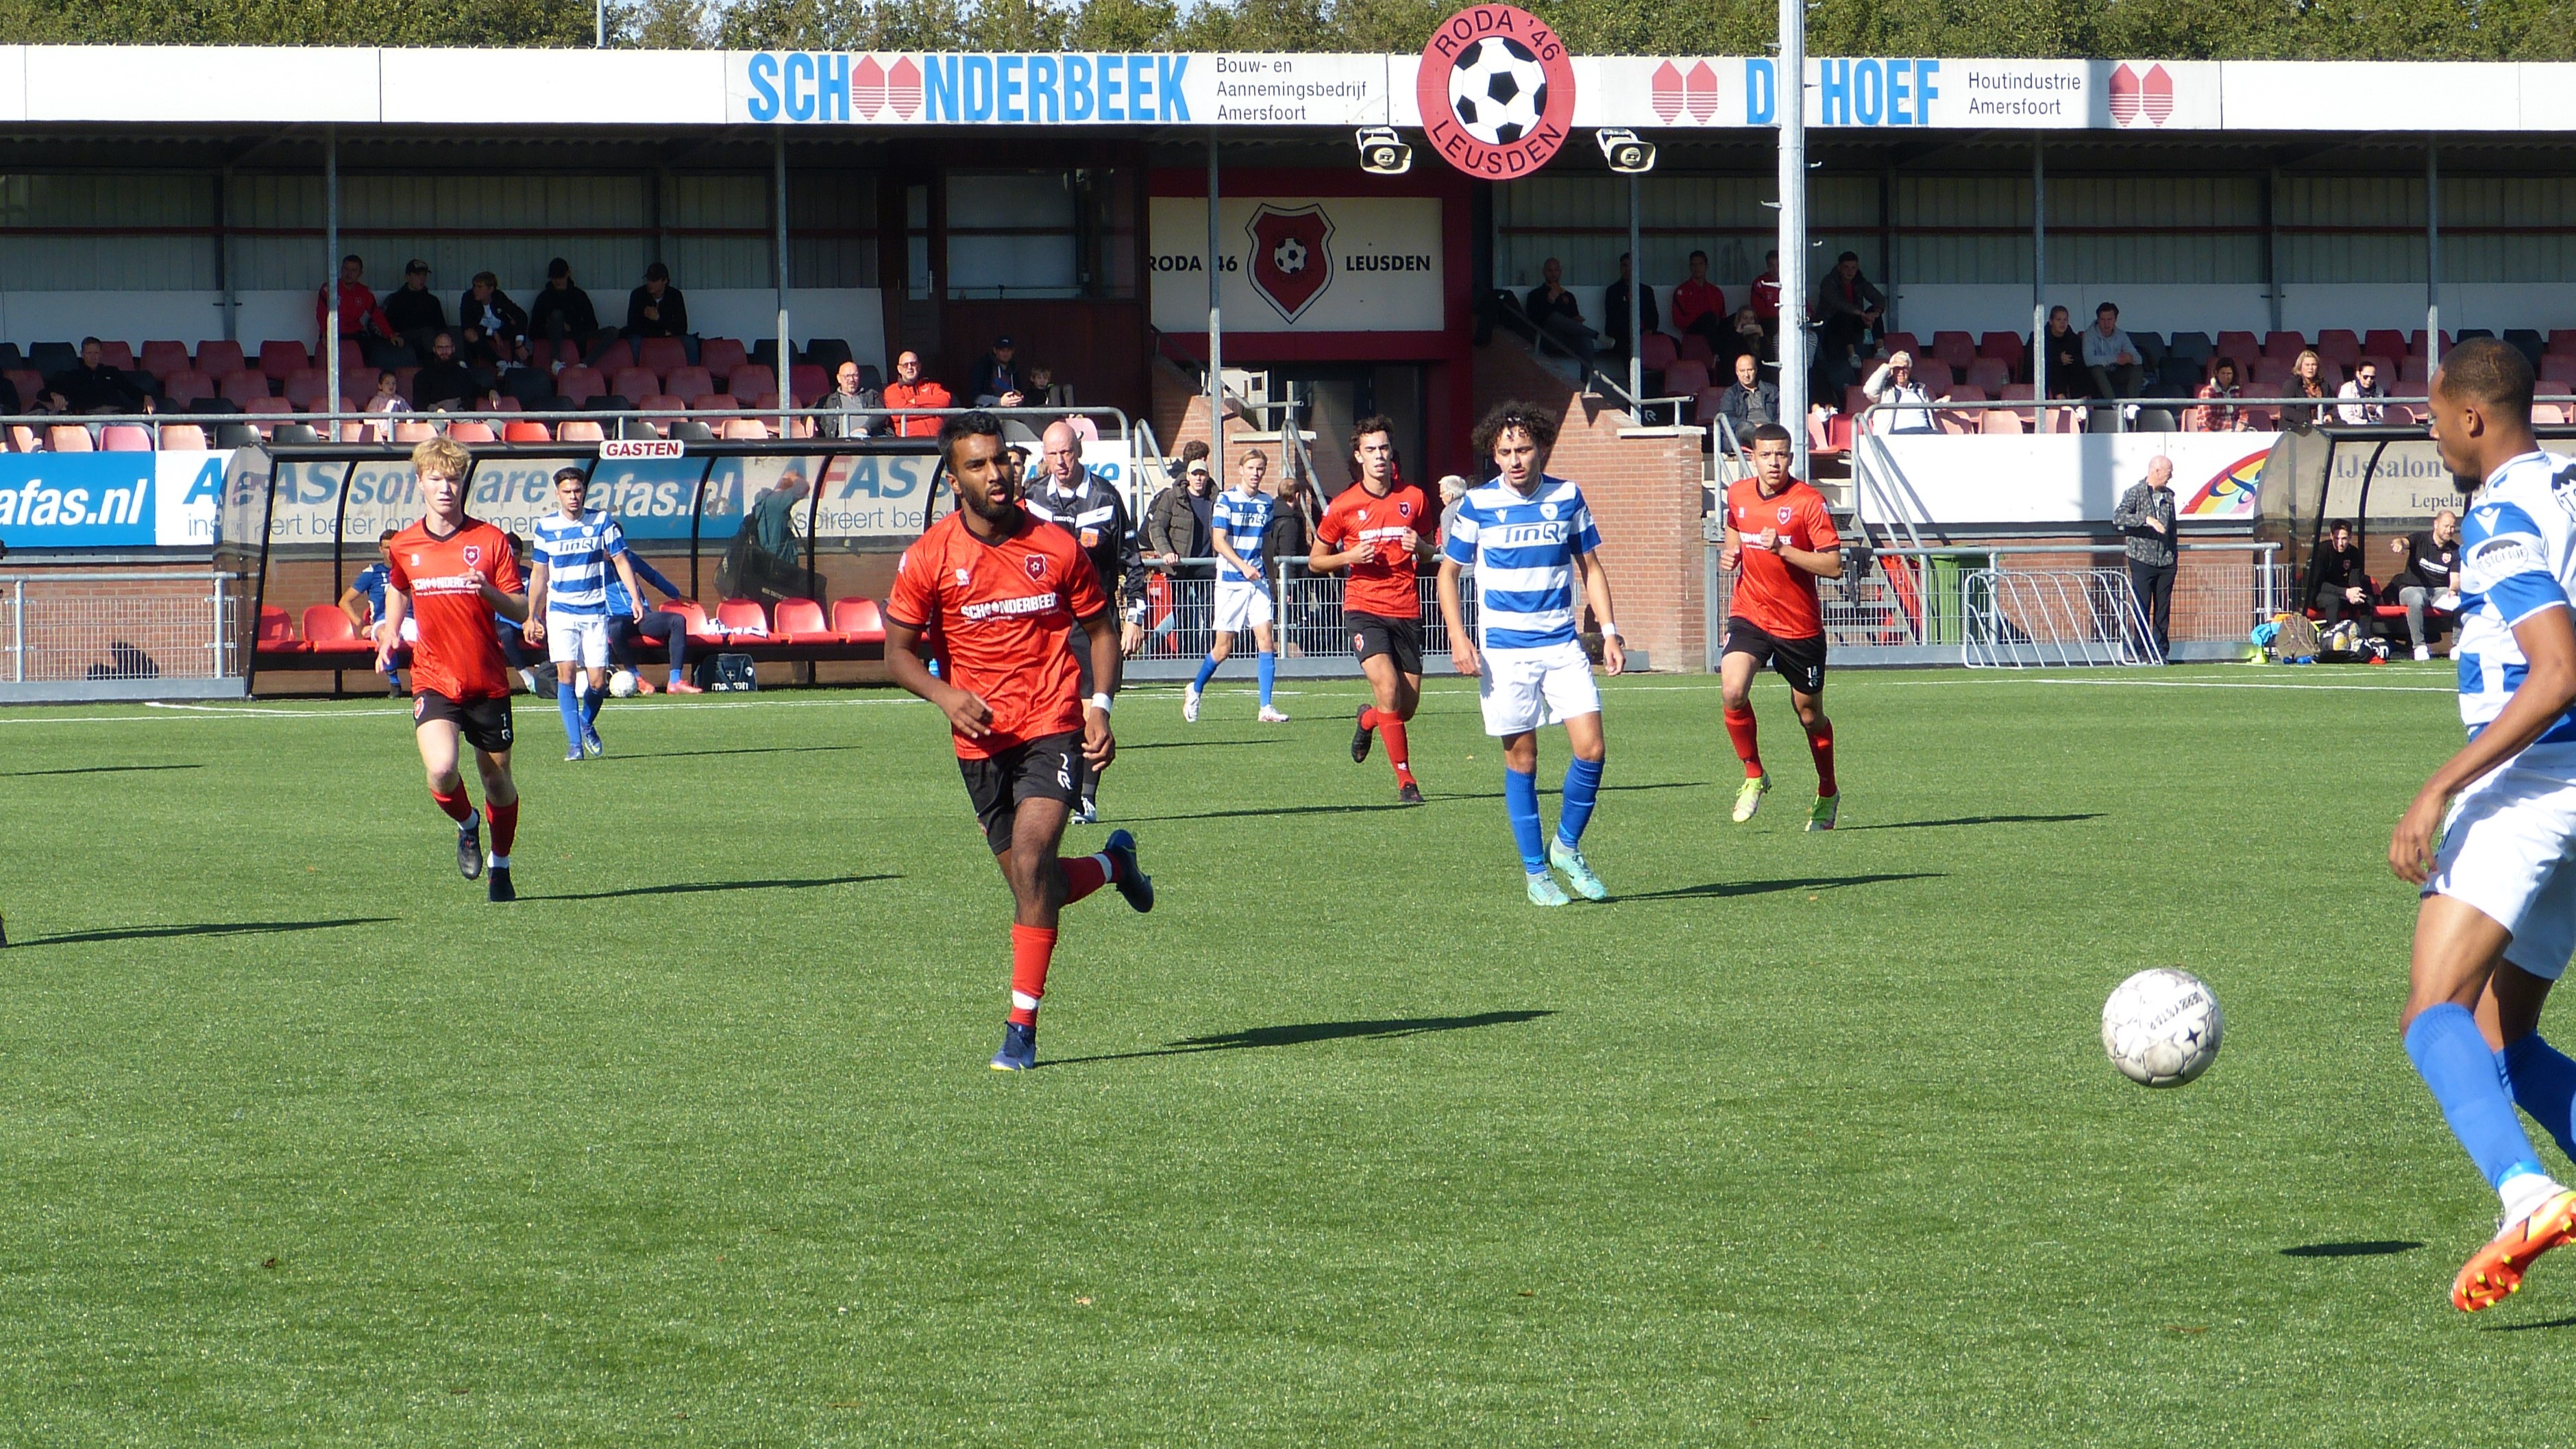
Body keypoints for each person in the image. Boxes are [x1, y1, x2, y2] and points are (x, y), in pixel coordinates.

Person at [2383, 336, 2576, 1313]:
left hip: (2534, 782)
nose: (2432, 434)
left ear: (2471, 416)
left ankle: (2526, 1194)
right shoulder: (2570, 487)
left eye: (2432, 417)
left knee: (2432, 1014)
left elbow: (2557, 671)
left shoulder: (2499, 511)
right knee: (2506, 1037)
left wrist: (2439, 787)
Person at [882, 409, 1154, 1072]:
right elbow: (897, 653)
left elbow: (1101, 630)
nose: (996, 473)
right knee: (1037, 887)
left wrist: (1100, 708)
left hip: (1050, 724)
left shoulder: (1055, 546)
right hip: (979, 743)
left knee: (1032, 864)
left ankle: (1020, 1030)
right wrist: (945, 696)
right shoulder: (929, 557)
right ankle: (1115, 865)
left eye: (1001, 458)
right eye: (977, 464)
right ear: (954, 480)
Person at [1438, 401, 1622, 907]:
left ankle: (1565, 847)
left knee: (1592, 749)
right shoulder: (1477, 504)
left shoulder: (1567, 496)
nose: (1515, 460)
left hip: (1561, 644)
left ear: (1540, 447)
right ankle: (1536, 873)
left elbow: (1591, 567)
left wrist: (1609, 632)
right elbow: (1447, 574)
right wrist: (1458, 637)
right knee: (1523, 758)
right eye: (1505, 452)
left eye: (1523, 449)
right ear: (1493, 455)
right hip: (1505, 654)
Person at [374, 436, 528, 903]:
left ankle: (501, 866)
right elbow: (399, 586)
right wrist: (390, 631)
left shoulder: (490, 540)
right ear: (420, 482)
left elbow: (520, 609)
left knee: (497, 781)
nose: (446, 487)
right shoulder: (405, 544)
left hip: (486, 680)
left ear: (463, 484)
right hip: (433, 678)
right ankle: (467, 823)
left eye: (454, 479)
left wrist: (488, 591)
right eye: (436, 478)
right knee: (442, 769)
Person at [1716, 423, 1843, 830]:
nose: (1774, 462)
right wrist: (1732, 553)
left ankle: (1828, 791)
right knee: (1733, 690)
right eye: (1766, 455)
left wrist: (1783, 550)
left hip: (1798, 626)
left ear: (1791, 457)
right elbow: (1734, 526)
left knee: (1809, 716)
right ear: (1752, 457)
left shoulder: (1808, 502)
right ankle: (1754, 775)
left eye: (1782, 455)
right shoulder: (1738, 494)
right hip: (1751, 612)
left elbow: (1834, 566)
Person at [1024, 419, 1144, 822]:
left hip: (1094, 621)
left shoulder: (1106, 497)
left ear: (1079, 451)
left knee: (1094, 709)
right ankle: (1050, 789)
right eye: (1053, 455)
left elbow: (1131, 560)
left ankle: (1086, 797)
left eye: (1067, 453)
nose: (1060, 461)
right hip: (1046, 620)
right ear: (1044, 457)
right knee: (1052, 711)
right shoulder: (1032, 499)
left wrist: (1135, 616)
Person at [1314, 415, 1437, 804]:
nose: (1379, 455)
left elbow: (1432, 550)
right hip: (1364, 607)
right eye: (1371, 449)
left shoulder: (1415, 497)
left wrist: (1421, 547)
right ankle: (1406, 781)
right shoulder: (1344, 506)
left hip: (1406, 608)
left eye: (1384, 448)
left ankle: (1367, 719)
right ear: (1359, 456)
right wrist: (1348, 557)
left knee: (1404, 708)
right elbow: (1316, 560)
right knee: (1387, 688)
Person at [524, 467, 646, 762]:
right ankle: (574, 745)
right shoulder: (546, 527)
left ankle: (585, 722)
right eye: (567, 491)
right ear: (558, 494)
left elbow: (621, 560)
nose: (573, 496)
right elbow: (539, 573)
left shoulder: (601, 521)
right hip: (561, 612)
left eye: (577, 490)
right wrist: (532, 614)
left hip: (594, 611)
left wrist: (635, 598)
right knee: (566, 674)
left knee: (598, 683)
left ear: (584, 492)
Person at [1186, 451, 1286, 724]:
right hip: (1231, 582)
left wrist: (1272, 580)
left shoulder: (1266, 502)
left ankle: (1266, 707)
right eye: (1251, 468)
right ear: (1241, 469)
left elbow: (1267, 544)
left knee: (1266, 639)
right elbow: (1218, 541)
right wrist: (1242, 566)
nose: (1256, 473)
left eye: (1260, 468)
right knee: (1223, 649)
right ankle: (1195, 689)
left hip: (1257, 581)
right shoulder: (1226, 499)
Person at [1144, 450, 1216, 657]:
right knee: (1184, 616)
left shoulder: (1218, 498)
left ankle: (1208, 657)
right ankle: (1186, 658)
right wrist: (1166, 552)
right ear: (1188, 476)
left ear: (1207, 476)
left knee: (1211, 614)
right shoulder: (1172, 497)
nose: (1198, 478)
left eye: (1202, 474)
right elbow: (1156, 527)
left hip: (1208, 566)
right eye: (1195, 474)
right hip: (1180, 567)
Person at [602, 544, 700, 694]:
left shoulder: (628, 557)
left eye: (613, 545)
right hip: (616, 619)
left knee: (677, 621)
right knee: (615, 628)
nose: (609, 550)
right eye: (605, 546)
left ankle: (675, 681)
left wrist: (676, 595)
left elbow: (652, 576)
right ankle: (636, 677)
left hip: (641, 616)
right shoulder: (592, 564)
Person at [2112, 456, 2180, 660]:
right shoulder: (2135, 493)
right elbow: (2119, 517)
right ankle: (2140, 649)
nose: (2171, 477)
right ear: (2156, 471)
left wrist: (2173, 555)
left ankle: (2160, 651)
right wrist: (2146, 520)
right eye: (2168, 472)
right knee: (2141, 606)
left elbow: (2172, 528)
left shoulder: (2169, 496)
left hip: (2166, 561)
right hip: (2142, 560)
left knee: (2163, 610)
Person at [339, 527, 408, 695]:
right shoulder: (373, 572)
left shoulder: (410, 569)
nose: (391, 552)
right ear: (380, 549)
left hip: (410, 619)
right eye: (387, 548)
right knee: (385, 633)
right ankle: (395, 684)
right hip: (384, 620)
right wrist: (361, 624)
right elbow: (344, 601)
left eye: (394, 547)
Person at [2390, 508, 2463, 661]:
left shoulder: (2455, 551)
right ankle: (2419, 647)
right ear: (2436, 524)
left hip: (2438, 591)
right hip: (2411, 589)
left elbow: (2455, 580)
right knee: (2416, 599)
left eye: (2452, 527)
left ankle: (2458, 645)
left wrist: (2453, 590)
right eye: (2446, 526)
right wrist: (2399, 544)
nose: (2449, 530)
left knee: (2459, 602)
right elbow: (2403, 541)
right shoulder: (2420, 539)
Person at [1523, 258, 1598, 370]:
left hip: (1567, 338)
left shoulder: (1568, 296)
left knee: (1586, 341)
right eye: (1550, 270)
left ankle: (1586, 380)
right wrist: (1550, 303)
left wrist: (1577, 320)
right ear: (1544, 272)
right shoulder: (1535, 295)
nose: (1553, 274)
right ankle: (1596, 335)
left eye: (1556, 270)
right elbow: (1533, 320)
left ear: (1560, 272)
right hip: (1547, 338)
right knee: (1555, 317)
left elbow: (1575, 319)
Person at [42, 338, 149, 414]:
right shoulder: (73, 376)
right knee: (96, 433)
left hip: (117, 416)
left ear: (101, 354)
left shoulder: (112, 372)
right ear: (82, 354)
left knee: (149, 432)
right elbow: (43, 393)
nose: (93, 357)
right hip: (92, 419)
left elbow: (131, 390)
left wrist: (146, 396)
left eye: (96, 353)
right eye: (89, 353)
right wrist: (54, 394)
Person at [1814, 252, 1885, 364]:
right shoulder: (1829, 281)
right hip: (1830, 323)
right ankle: (1852, 355)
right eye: (1846, 267)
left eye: (1853, 268)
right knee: (1844, 315)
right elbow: (1838, 303)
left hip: (1855, 320)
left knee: (1874, 312)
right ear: (1839, 268)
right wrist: (1860, 313)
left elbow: (1878, 298)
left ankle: (1880, 350)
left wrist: (1875, 313)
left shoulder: (1860, 281)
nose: (1850, 271)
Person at [315, 253, 391, 351]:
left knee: (375, 349)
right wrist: (325, 333)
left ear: (360, 273)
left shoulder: (364, 292)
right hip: (334, 334)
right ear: (341, 269)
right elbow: (321, 314)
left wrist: (390, 334)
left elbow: (377, 315)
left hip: (356, 334)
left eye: (354, 270)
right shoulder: (329, 289)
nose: (349, 274)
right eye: (346, 269)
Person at [1861, 351, 1943, 434]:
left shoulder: (1919, 389)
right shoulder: (1885, 391)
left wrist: (1941, 403)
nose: (1901, 372)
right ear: (1892, 371)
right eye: (1897, 368)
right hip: (1898, 435)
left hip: (1925, 432)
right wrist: (1888, 367)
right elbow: (1868, 390)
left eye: (1905, 368)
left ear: (1909, 370)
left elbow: (1931, 409)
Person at [2311, 519, 2372, 626]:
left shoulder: (2353, 552)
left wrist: (2355, 593)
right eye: (2337, 538)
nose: (2340, 543)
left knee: (2367, 600)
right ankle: (2333, 632)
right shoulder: (2321, 551)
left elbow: (2355, 578)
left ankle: (2363, 633)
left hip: (2342, 592)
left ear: (2350, 537)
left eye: (2344, 539)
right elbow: (2318, 584)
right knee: (2333, 601)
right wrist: (2345, 592)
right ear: (2331, 536)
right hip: (2318, 594)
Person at [527, 258, 599, 347]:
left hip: (576, 340)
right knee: (557, 316)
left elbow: (593, 325)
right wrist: (550, 327)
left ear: (568, 274)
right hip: (551, 342)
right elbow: (532, 332)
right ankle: (556, 354)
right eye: (554, 277)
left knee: (611, 332)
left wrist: (571, 328)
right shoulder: (544, 299)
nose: (558, 281)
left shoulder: (579, 296)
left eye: (561, 276)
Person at [1601, 252, 1658, 363]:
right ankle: (1634, 375)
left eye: (1631, 266)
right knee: (1629, 349)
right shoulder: (1613, 291)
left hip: (1644, 334)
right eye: (1624, 266)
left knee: (1671, 343)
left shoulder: (1646, 291)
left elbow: (1654, 315)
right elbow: (1613, 318)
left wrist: (1649, 330)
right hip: (1621, 337)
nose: (1627, 270)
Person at [882, 350, 952, 438]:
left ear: (919, 367)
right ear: (899, 369)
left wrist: (915, 401)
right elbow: (899, 413)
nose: (910, 367)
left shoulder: (932, 386)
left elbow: (945, 400)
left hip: (939, 439)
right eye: (905, 365)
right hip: (911, 442)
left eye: (913, 364)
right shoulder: (892, 390)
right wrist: (934, 411)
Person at [2082, 302, 2144, 400]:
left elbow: (2139, 359)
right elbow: (2089, 360)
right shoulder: (2089, 335)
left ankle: (2131, 404)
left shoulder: (2121, 335)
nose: (2106, 324)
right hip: (2097, 376)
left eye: (2110, 320)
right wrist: (2115, 359)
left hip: (2116, 372)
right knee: (2097, 369)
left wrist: (2130, 357)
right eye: (2103, 320)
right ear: (2098, 320)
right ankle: (2113, 404)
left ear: (2116, 320)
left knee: (2137, 368)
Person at [382, 260, 446, 354]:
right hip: (402, 344)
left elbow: (441, 327)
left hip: (428, 345)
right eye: (418, 275)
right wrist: (391, 335)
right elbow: (380, 323)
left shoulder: (433, 301)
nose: (422, 278)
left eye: (424, 275)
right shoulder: (394, 300)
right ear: (407, 277)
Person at [1671, 249, 1728, 351]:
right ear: (1690, 267)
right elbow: (1677, 320)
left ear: (1707, 267)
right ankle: (1717, 352)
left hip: (1715, 329)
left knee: (1737, 319)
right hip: (1692, 330)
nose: (1697, 268)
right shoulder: (1682, 291)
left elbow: (1723, 316)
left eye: (1700, 264)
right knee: (1709, 317)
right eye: (1694, 265)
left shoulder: (1715, 291)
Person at [457, 273, 528, 354]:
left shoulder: (498, 296)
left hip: (501, 330)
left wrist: (519, 343)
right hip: (482, 332)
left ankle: (517, 359)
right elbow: (467, 323)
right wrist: (492, 332)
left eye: (480, 287)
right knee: (469, 334)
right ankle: (496, 360)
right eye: (474, 286)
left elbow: (521, 315)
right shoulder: (468, 297)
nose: (475, 290)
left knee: (515, 325)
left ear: (491, 289)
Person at [1715, 351, 1779, 437]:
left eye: (1750, 370)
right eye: (1742, 371)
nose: (1746, 375)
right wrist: (1752, 426)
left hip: (1771, 431)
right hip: (1746, 433)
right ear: (1737, 372)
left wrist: (1769, 426)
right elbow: (1727, 418)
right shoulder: (1731, 393)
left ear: (1756, 370)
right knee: (1743, 428)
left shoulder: (1771, 390)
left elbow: (1782, 413)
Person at [626, 262, 689, 345]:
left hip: (664, 334)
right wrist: (662, 333)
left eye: (654, 280)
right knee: (634, 340)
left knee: (689, 341)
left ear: (665, 281)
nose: (650, 283)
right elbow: (633, 326)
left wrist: (658, 318)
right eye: (648, 279)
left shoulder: (675, 295)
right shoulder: (638, 295)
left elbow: (682, 327)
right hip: (646, 335)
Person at [411, 332, 478, 410]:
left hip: (460, 415)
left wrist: (490, 392)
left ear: (453, 348)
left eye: (447, 347)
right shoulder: (422, 377)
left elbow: (473, 394)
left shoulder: (464, 374)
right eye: (440, 348)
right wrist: (436, 410)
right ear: (434, 350)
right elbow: (419, 405)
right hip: (435, 416)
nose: (444, 352)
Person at [817, 359, 881, 438]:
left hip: (870, 440)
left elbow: (881, 415)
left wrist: (865, 429)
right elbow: (812, 410)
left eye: (855, 375)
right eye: (847, 376)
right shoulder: (828, 400)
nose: (852, 380)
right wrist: (809, 418)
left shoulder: (870, 395)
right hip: (843, 443)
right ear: (839, 378)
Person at [2191, 358, 2250, 432]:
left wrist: (2242, 423)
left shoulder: (2238, 391)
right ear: (2217, 373)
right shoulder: (2207, 392)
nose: (2226, 377)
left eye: (2229, 374)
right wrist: (2233, 425)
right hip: (2209, 430)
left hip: (2234, 429)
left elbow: (2243, 413)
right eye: (2223, 373)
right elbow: (2209, 421)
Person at [2038, 306, 2085, 399]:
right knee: (2055, 364)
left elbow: (2079, 357)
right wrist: (2058, 358)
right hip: (2048, 374)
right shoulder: (2040, 337)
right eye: (2059, 320)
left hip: (2068, 374)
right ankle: (2060, 398)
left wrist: (2069, 359)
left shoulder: (2073, 339)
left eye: (2065, 320)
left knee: (2078, 366)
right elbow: (2034, 359)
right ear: (2051, 321)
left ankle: (2081, 400)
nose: (2062, 323)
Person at [2280, 347, 2331, 428]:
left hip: (2321, 426)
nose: (2310, 368)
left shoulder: (2324, 385)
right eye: (2307, 365)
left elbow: (2332, 406)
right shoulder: (2291, 384)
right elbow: (2286, 410)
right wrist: (2309, 421)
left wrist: (2330, 415)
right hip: (2297, 427)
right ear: (2300, 367)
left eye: (2314, 365)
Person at [968, 336, 1025, 408]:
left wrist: (1018, 399)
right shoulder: (984, 366)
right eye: (1002, 350)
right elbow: (976, 397)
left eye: (1009, 350)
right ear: (995, 351)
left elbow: (1019, 392)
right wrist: (999, 402)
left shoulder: (1014, 369)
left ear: (1013, 352)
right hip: (989, 410)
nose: (1006, 354)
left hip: (1011, 410)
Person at [2339, 359, 2390, 425]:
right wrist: (2366, 424)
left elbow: (2380, 419)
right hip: (2353, 427)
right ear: (2358, 374)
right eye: (2365, 377)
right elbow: (2346, 417)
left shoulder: (2379, 391)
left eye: (2372, 377)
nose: (2369, 380)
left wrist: (2373, 412)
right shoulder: (2347, 388)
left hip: (2373, 427)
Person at [1749, 250, 1782, 338]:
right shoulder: (1761, 283)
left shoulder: (1792, 282)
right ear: (1767, 267)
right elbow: (1758, 312)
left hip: (1790, 322)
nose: (1776, 270)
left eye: (1779, 265)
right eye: (1771, 266)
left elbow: (1808, 309)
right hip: (1768, 324)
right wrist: (1783, 313)